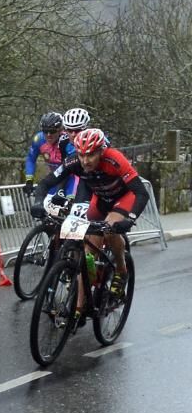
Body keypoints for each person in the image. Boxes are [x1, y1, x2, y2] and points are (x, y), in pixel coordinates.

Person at [31, 127, 147, 315]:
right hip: (100, 199)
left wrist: (131, 219)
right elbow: (46, 182)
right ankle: (78, 308)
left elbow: (141, 192)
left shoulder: (114, 159)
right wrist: (38, 203)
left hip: (123, 198)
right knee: (88, 253)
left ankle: (121, 270)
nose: (85, 160)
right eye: (81, 155)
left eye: (91, 155)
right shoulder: (74, 161)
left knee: (109, 228)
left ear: (101, 151)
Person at [23, 111, 78, 198]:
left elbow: (70, 168)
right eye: (45, 131)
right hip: (54, 179)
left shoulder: (68, 142)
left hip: (72, 179)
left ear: (60, 130)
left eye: (52, 131)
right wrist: (29, 180)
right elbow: (31, 159)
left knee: (69, 206)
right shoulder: (39, 139)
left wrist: (61, 189)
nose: (48, 135)